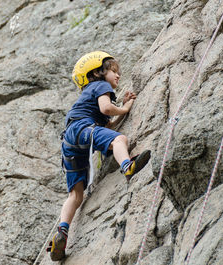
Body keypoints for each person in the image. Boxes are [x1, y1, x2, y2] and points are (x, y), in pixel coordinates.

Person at [46, 51, 151, 261]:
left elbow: (108, 125)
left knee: (75, 195)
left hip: (70, 140)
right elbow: (107, 108)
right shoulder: (100, 85)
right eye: (113, 71)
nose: (118, 76)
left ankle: (62, 232)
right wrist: (122, 107)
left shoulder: (86, 97)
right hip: (83, 128)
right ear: (97, 72)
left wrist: (126, 106)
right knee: (120, 140)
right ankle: (127, 167)